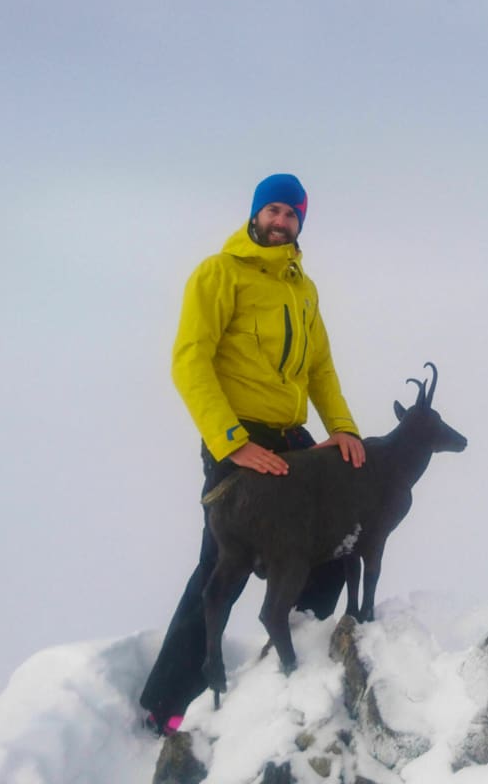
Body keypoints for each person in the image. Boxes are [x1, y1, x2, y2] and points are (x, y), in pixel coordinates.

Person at [140, 173, 366, 735]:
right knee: (225, 566)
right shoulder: (220, 273)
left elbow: (320, 369)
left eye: (291, 214)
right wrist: (231, 443)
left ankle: (288, 661)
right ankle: (169, 702)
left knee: (331, 544)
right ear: (255, 215)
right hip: (238, 441)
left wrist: (342, 428)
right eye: (273, 210)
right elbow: (190, 361)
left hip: (291, 440)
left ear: (299, 225)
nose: (281, 221)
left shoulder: (303, 289)